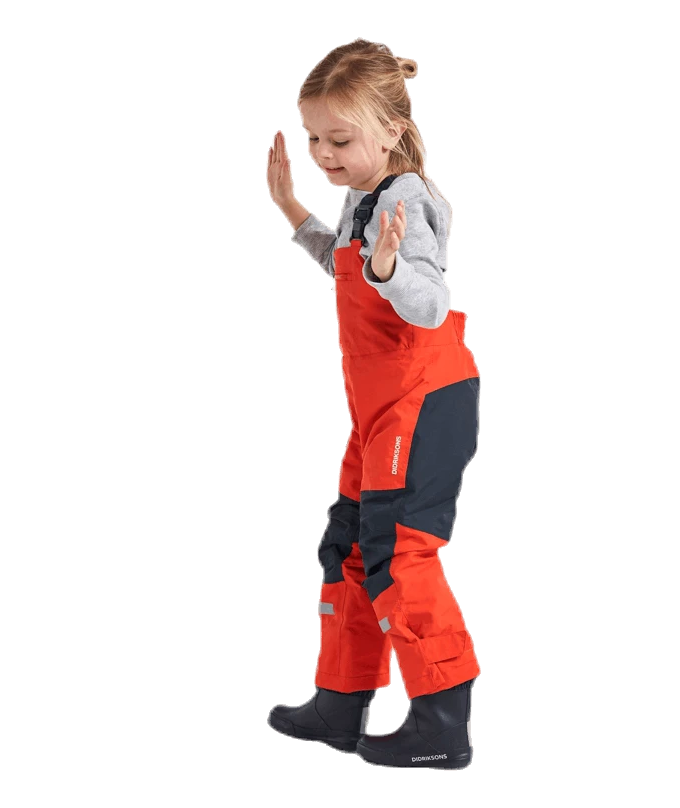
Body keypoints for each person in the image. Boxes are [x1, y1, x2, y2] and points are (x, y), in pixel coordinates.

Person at [265, 39, 480, 770]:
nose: (324, 155)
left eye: (339, 140)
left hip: (423, 400)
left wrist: (389, 268)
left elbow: (429, 304)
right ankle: (340, 702)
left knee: (397, 551)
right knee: (350, 543)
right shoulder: (364, 195)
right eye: (314, 141)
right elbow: (345, 262)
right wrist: (294, 210)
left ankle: (441, 723)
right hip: (378, 408)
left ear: (390, 131)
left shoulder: (406, 200)